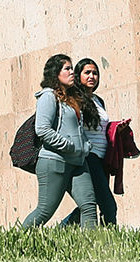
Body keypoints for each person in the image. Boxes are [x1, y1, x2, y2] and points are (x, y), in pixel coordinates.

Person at [19, 53, 99, 228]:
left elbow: (77, 129)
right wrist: (69, 146)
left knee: (88, 206)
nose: (72, 72)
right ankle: (16, 243)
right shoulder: (48, 96)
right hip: (54, 161)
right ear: (56, 73)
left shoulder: (72, 99)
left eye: (72, 68)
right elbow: (42, 129)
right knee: (44, 211)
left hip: (78, 162)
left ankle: (94, 251)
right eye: (67, 69)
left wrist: (85, 146)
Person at [58, 58, 117, 226]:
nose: (92, 76)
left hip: (102, 158)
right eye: (87, 73)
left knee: (91, 203)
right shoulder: (75, 99)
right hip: (88, 157)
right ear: (78, 76)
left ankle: (66, 226)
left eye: (95, 73)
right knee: (108, 205)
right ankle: (111, 242)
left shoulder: (98, 100)